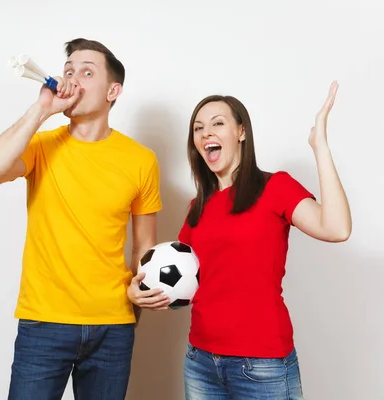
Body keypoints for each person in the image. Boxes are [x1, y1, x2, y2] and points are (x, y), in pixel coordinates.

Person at [128, 82, 351, 399]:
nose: (206, 133)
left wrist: (321, 148)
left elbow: (337, 228)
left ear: (241, 131)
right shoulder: (198, 207)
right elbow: (180, 280)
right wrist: (140, 291)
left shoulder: (275, 187)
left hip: (262, 365)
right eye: (198, 128)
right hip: (200, 362)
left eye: (218, 123)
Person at [0, 38, 163, 400]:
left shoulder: (141, 160)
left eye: (87, 72)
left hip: (113, 325)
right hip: (44, 323)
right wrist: (41, 110)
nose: (73, 79)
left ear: (113, 90)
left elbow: (145, 245)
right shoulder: (41, 145)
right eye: (69, 70)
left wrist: (143, 284)